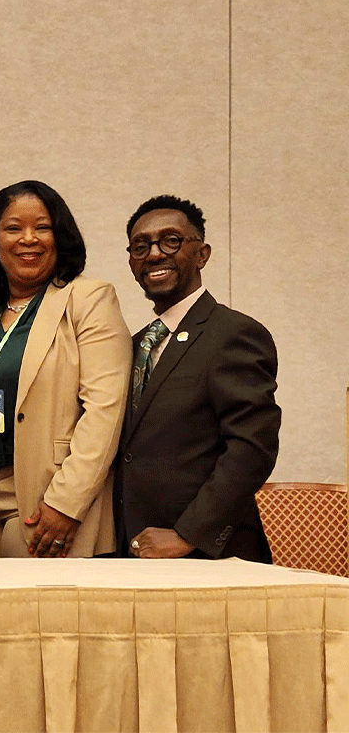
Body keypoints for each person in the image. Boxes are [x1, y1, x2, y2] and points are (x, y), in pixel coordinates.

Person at [0, 180, 130, 557]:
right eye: (13, 228)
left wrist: (67, 502)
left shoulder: (88, 299)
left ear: (60, 237)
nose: (29, 239)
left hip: (46, 493)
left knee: (40, 615)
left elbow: (105, 411)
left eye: (42, 227)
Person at [117, 195, 280, 561]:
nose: (154, 254)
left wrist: (187, 534)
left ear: (202, 254)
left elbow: (252, 447)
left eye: (171, 241)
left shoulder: (234, 333)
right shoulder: (131, 346)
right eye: (140, 246)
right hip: (131, 552)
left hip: (208, 556)